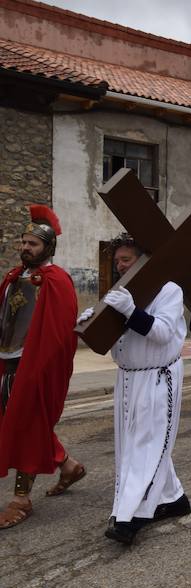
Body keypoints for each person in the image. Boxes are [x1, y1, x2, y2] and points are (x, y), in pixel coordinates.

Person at [78, 234, 191, 545]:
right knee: (137, 444)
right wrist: (95, 321)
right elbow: (114, 338)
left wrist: (131, 312)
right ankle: (174, 498)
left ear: (143, 260)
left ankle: (131, 517)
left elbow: (163, 333)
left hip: (158, 377)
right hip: (127, 379)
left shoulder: (168, 290)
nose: (119, 266)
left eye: (125, 260)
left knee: (147, 444)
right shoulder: (121, 293)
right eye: (116, 262)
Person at [0, 205, 83, 529]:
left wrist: (40, 369)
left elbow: (59, 334)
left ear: (47, 247)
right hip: (7, 361)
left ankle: (21, 499)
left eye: (32, 244)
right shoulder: (13, 277)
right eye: (23, 242)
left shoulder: (57, 280)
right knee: (14, 422)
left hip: (32, 366)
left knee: (27, 425)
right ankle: (68, 465)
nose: (25, 248)